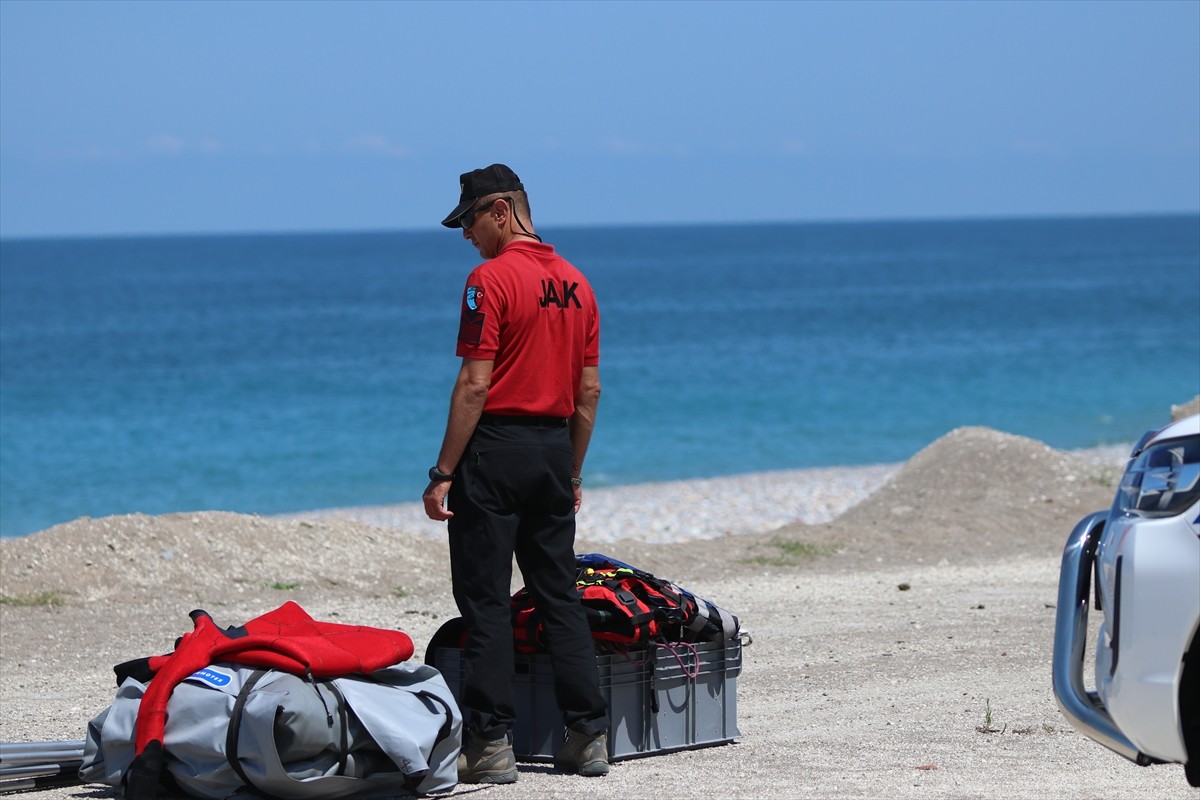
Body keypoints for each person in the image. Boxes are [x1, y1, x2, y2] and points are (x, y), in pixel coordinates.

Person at [422, 163, 610, 784]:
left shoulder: (488, 280)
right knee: (558, 591)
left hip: (496, 449)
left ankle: (490, 743)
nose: (466, 235)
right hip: (555, 450)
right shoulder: (579, 286)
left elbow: (475, 385)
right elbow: (589, 393)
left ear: (500, 211)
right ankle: (587, 736)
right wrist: (573, 472)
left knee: (485, 600)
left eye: (470, 220)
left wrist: (442, 471)